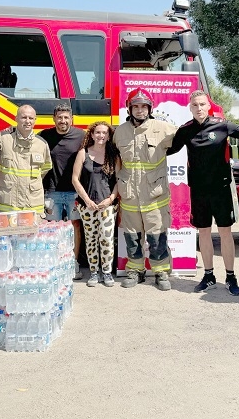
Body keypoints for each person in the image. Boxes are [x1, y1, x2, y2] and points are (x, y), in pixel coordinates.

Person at [167, 90, 239, 296]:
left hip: (221, 190)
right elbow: (167, 149)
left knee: (225, 232)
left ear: (209, 106)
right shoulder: (185, 131)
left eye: (202, 104)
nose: (199, 108)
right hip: (198, 191)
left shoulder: (223, 125)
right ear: (190, 107)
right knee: (203, 232)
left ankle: (231, 276)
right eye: (195, 105)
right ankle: (209, 275)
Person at [114, 87, 177, 291]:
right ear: (129, 108)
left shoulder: (164, 128)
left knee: (157, 235)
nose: (140, 110)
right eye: (136, 106)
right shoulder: (119, 132)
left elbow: (188, 137)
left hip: (154, 194)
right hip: (130, 193)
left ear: (150, 108)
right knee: (132, 236)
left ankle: (160, 272)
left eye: (144, 106)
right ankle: (135, 270)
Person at [38, 102, 86, 274]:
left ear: (71, 119)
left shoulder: (82, 136)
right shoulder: (44, 135)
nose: (63, 121)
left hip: (74, 192)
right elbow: (24, 137)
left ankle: (73, 263)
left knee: (75, 227)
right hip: (51, 192)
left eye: (66, 117)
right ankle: (54, 263)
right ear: (54, 119)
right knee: (52, 228)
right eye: (60, 117)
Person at [72, 121, 120, 287]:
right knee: (91, 239)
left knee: (106, 239)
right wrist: (87, 200)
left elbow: (119, 181)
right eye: (98, 132)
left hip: (107, 206)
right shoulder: (83, 153)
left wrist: (111, 199)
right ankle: (94, 272)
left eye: (104, 133)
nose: (101, 136)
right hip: (87, 206)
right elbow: (75, 179)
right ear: (91, 135)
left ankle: (106, 272)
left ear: (109, 136)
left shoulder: (113, 156)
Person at [0, 105, 52, 214]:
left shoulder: (42, 144)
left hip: (33, 205)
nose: (27, 121)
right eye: (24, 117)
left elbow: (45, 168)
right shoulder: (3, 139)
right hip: (7, 205)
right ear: (16, 119)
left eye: (31, 118)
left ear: (35, 120)